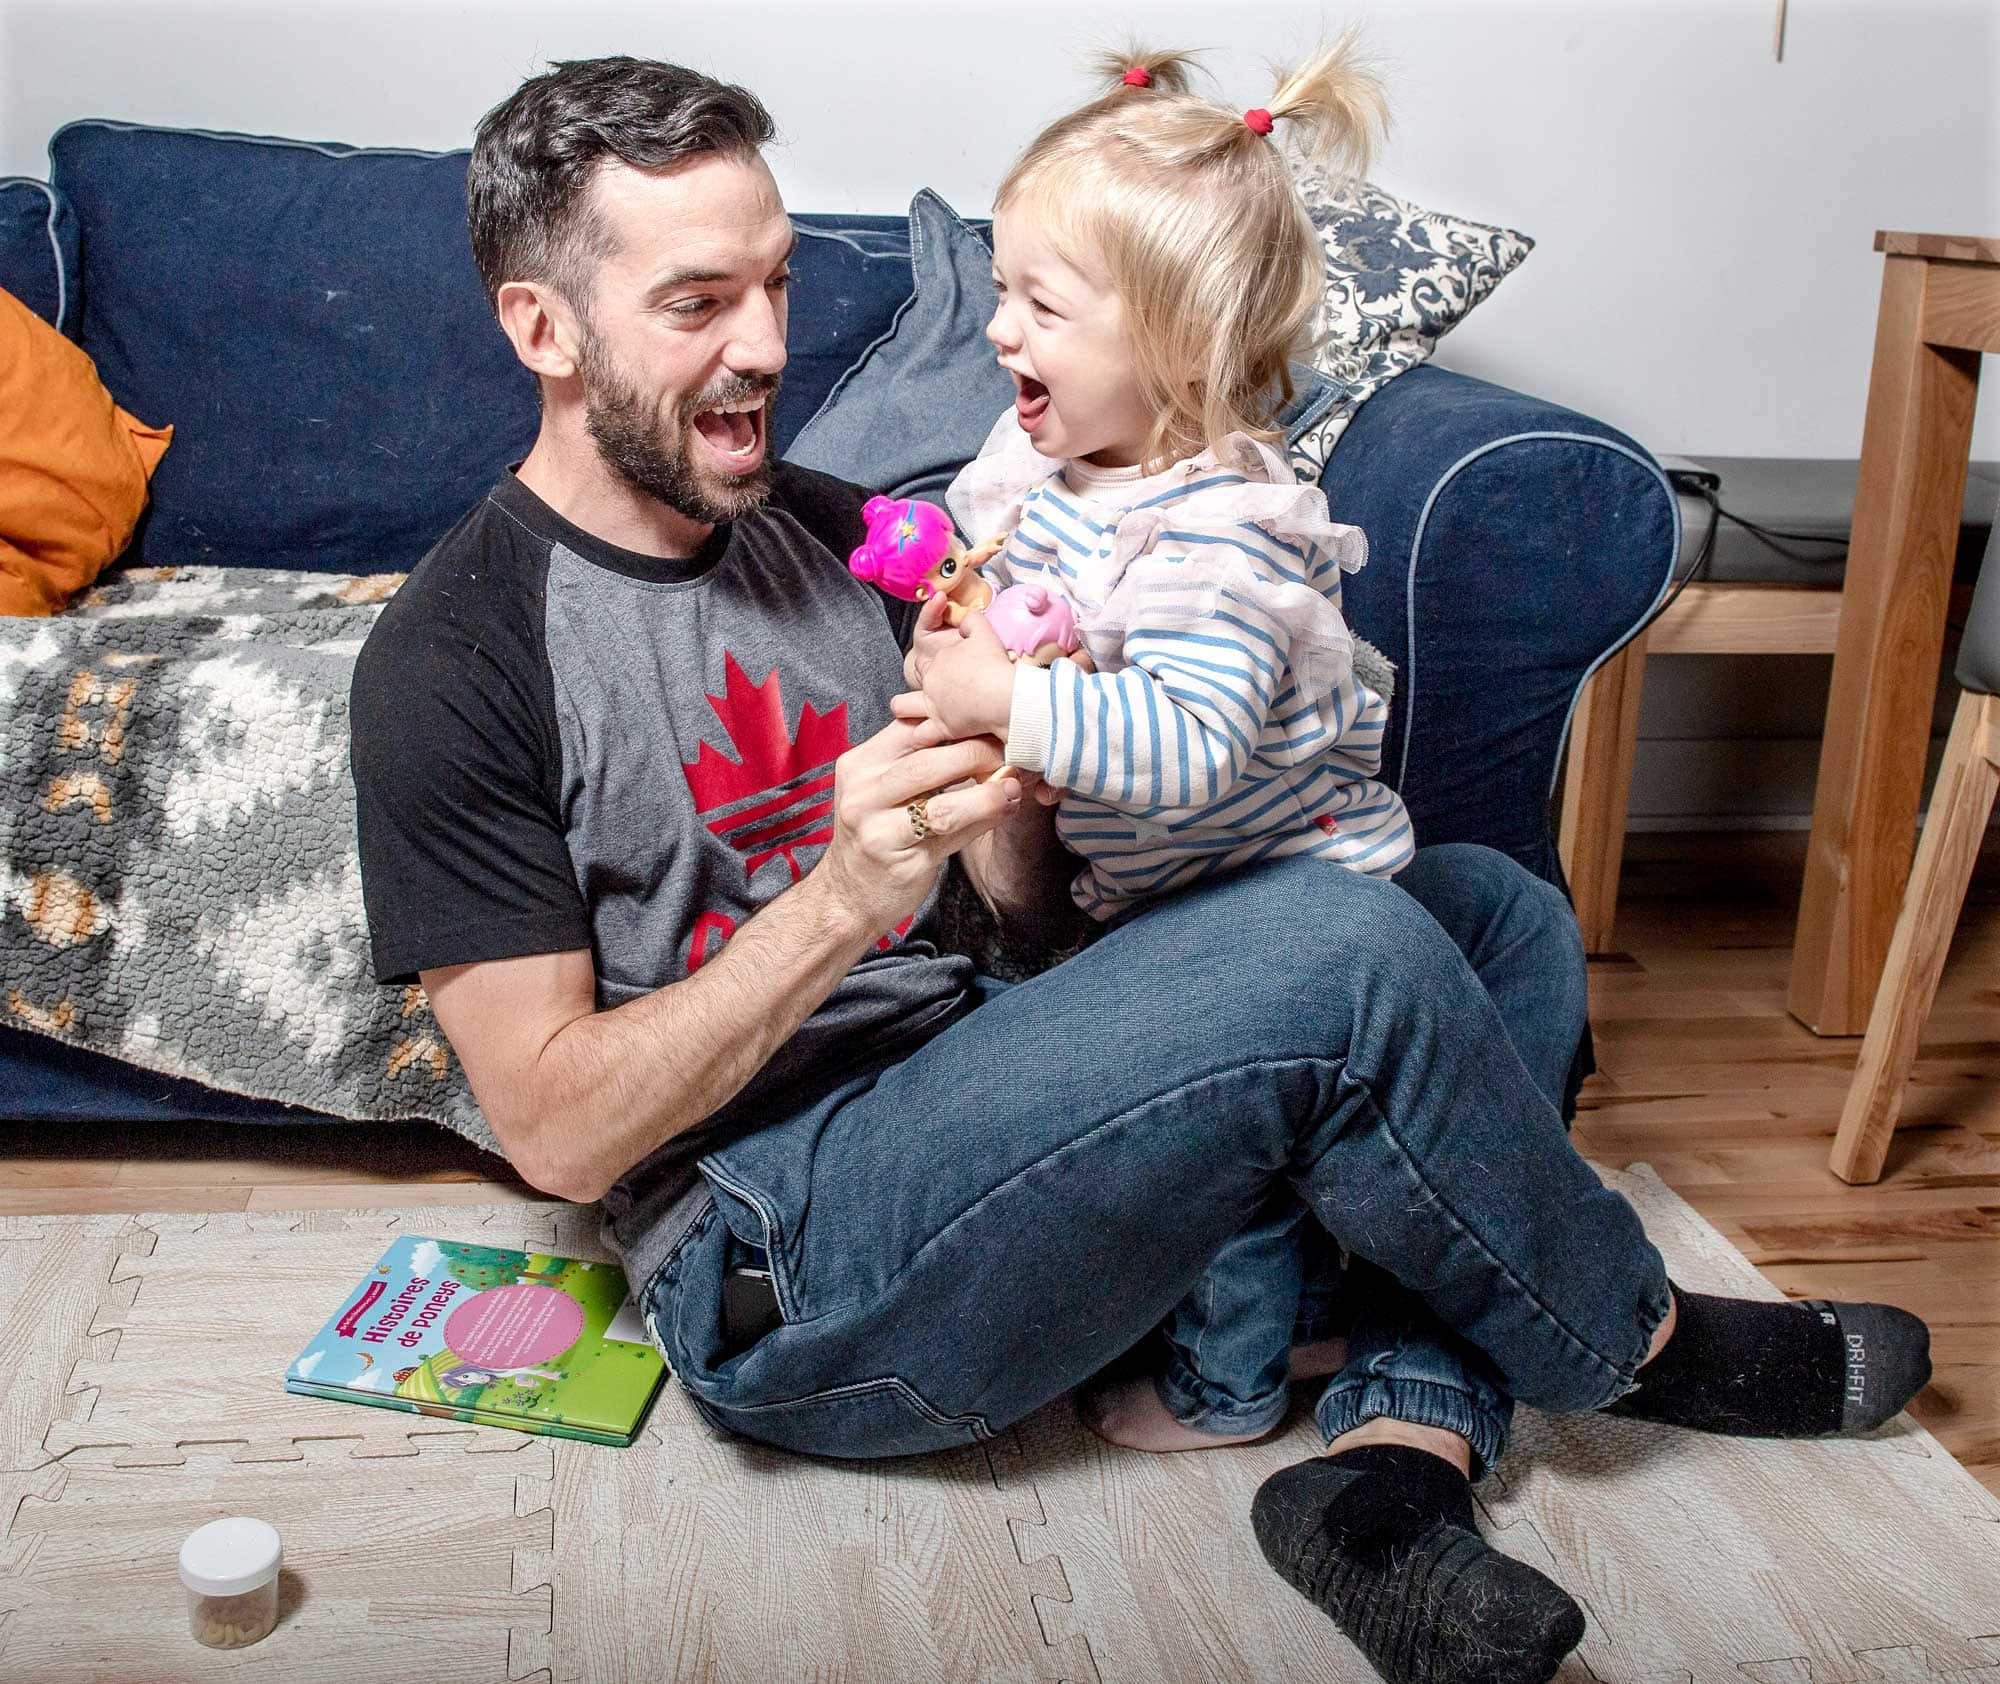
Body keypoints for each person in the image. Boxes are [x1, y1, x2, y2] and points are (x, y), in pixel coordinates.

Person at [348, 55, 1933, 1684]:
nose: (763, 347)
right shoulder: (457, 655)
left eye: (774, 285)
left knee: (1487, 913)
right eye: (697, 303)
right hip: (790, 1254)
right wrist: (841, 902)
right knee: (1340, 949)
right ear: (544, 330)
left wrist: (1026, 801)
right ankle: (1637, 1334)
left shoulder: (826, 529)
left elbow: (1037, 923)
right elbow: (550, 1130)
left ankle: (1394, 1472)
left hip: (1010, 1107)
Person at [912, 40, 1407, 1463]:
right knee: (1254, 1152)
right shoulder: (1046, 469)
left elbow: (1189, 747)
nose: (1001, 332)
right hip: (1157, 895)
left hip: (1282, 899)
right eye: (1002, 290)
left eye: (1040, 306)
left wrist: (1011, 699)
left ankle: (1225, 1389)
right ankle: (1306, 1309)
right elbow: (1020, 597)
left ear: (1176, 343)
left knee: (1231, 1159)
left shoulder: (1221, 534)